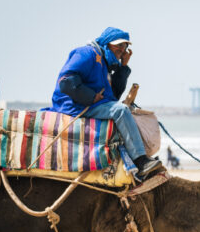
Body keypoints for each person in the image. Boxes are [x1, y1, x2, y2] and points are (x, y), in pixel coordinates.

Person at [46, 27, 161, 176]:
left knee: (124, 110)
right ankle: (140, 160)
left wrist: (123, 67)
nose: (122, 49)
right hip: (76, 105)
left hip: (92, 104)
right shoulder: (87, 54)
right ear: (107, 43)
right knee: (120, 111)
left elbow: (113, 95)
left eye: (124, 46)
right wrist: (90, 97)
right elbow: (66, 81)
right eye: (118, 45)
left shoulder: (105, 64)